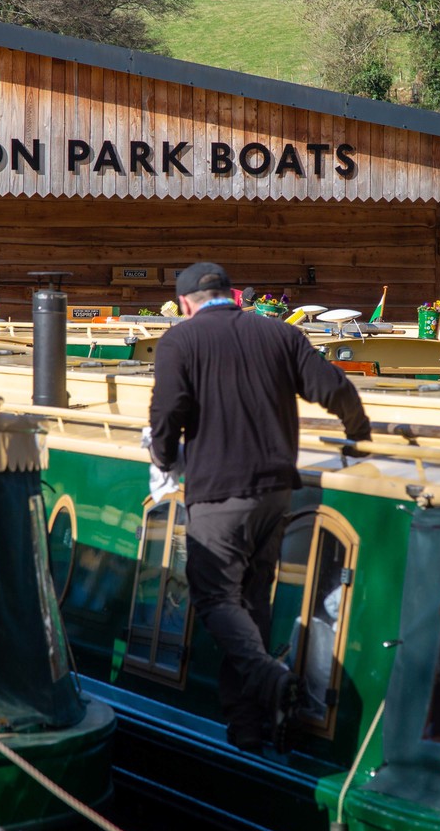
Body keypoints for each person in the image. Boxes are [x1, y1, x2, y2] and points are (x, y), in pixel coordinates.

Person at [148, 262, 371, 753]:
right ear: (232, 295)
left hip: (219, 495)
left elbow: (167, 414)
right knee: (251, 607)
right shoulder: (279, 335)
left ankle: (268, 679)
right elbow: (333, 387)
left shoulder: (180, 342)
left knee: (216, 602)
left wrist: (162, 460)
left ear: (185, 304)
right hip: (275, 492)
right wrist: (360, 435)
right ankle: (250, 730)